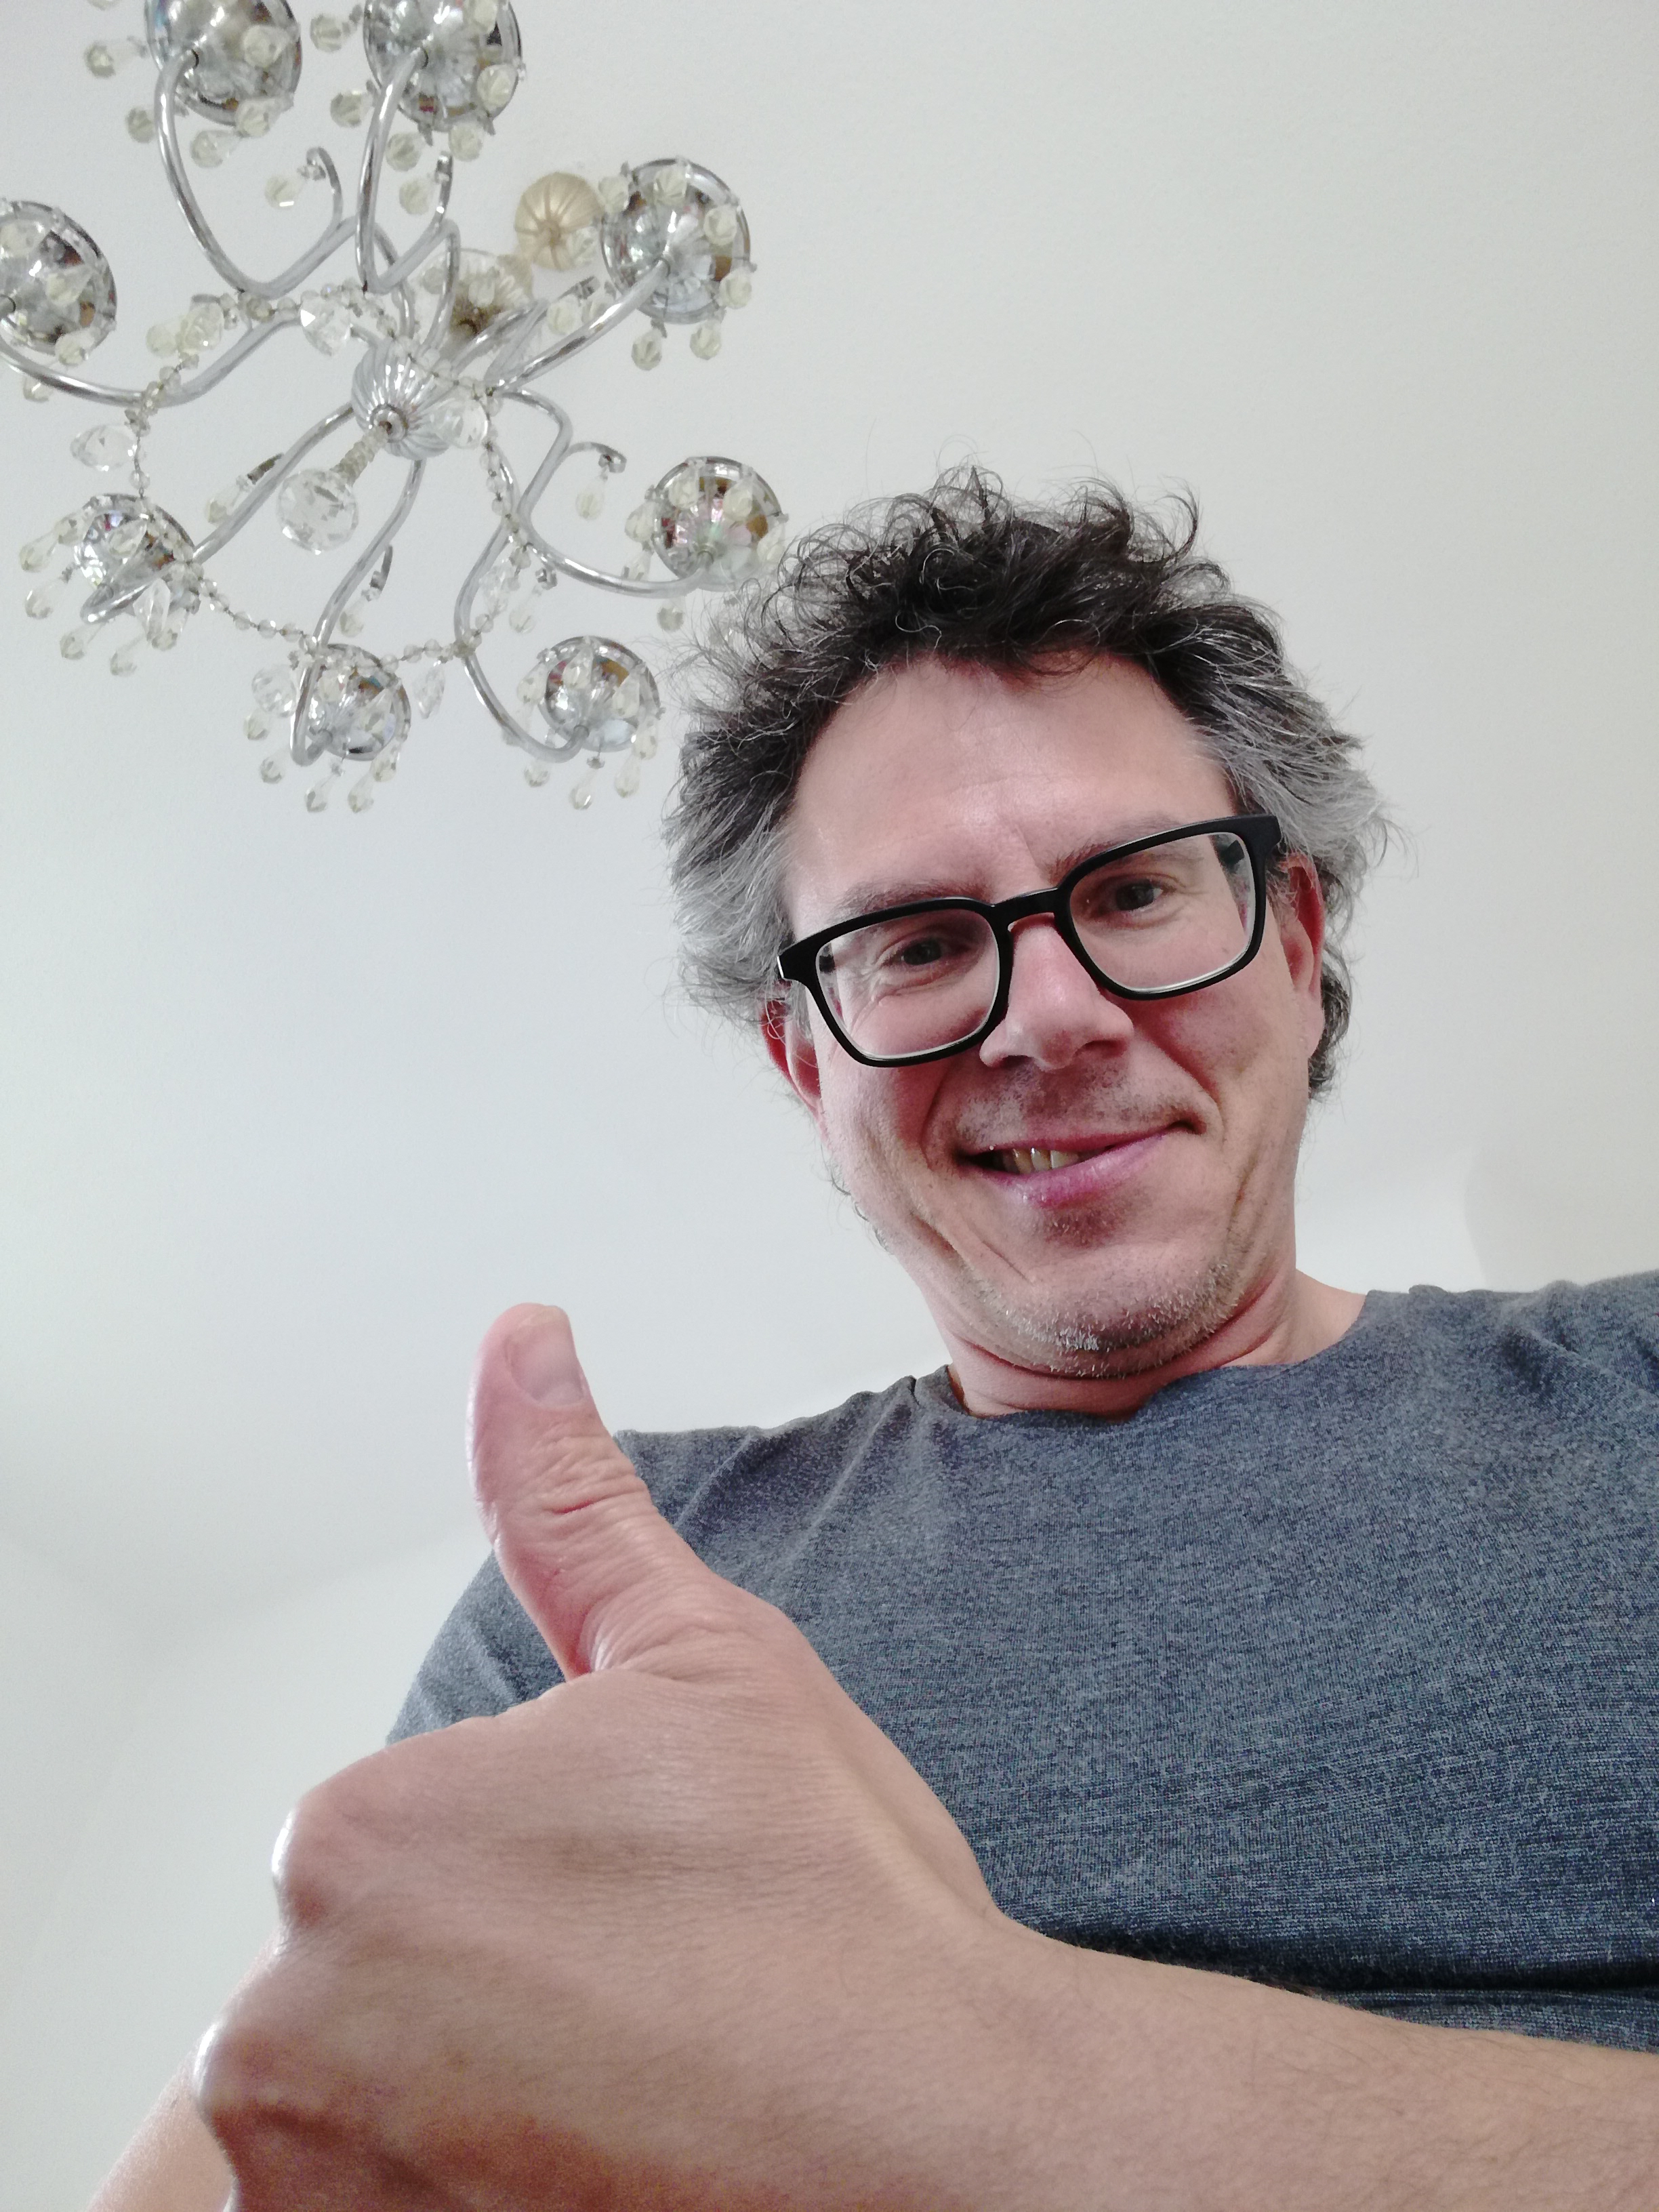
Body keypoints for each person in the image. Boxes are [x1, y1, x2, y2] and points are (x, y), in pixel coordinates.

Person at [92, 474, 1659, 2212]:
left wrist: (984, 2079)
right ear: (805, 1064)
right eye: (916, 942)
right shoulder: (612, 1591)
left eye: (1136, 891)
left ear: (1294, 941)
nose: (1050, 1016)